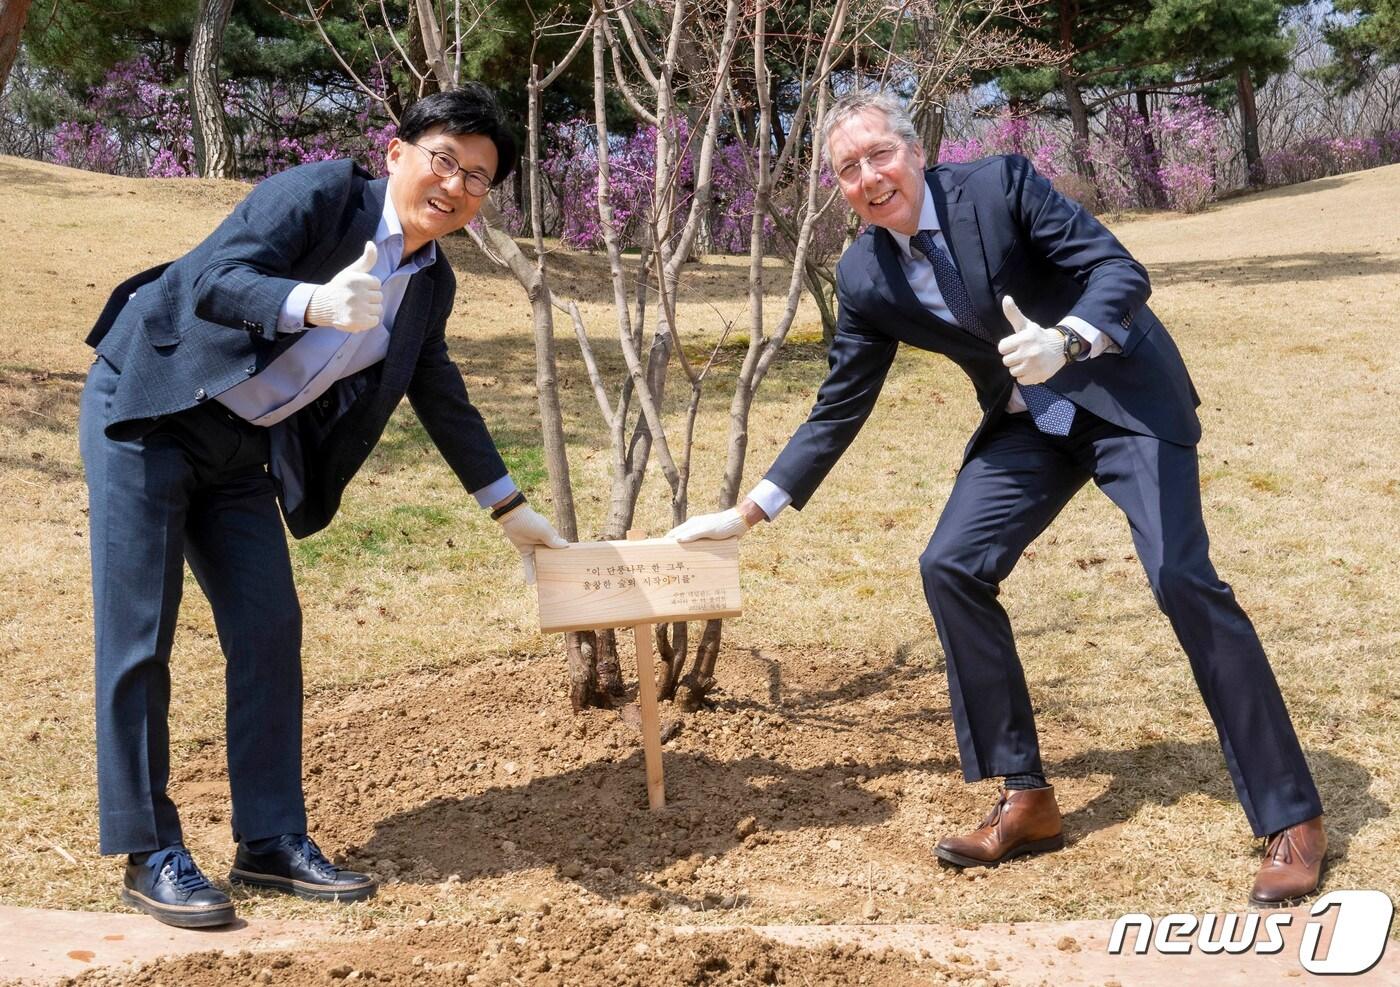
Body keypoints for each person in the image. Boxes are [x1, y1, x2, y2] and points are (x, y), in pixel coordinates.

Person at [670, 90, 1326, 907]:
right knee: (950, 565)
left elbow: (1120, 269)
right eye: (848, 168)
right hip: (1029, 422)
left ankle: (1292, 815)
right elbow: (838, 406)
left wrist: (1069, 338)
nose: (870, 177)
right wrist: (746, 513)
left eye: (880, 154)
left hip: (1122, 396)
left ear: (915, 151)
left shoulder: (999, 185)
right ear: (836, 188)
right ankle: (1027, 796)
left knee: (1180, 576)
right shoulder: (865, 273)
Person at [78, 84, 567, 928]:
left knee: (269, 630)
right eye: (443, 158)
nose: (453, 184)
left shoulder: (428, 282)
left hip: (240, 450)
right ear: (397, 154)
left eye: (478, 177)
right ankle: (147, 849)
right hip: (150, 404)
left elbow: (438, 392)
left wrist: (509, 510)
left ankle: (268, 840)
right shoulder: (317, 196)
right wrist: (312, 302)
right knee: (138, 632)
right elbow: (211, 278)